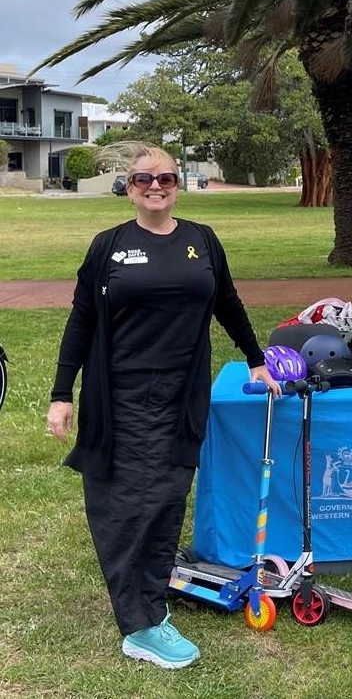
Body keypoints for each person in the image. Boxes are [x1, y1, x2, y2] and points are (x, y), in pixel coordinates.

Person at [45, 142, 279, 670]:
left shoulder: (202, 240)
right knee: (130, 504)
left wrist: (257, 360)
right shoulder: (109, 246)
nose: (155, 186)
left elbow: (228, 302)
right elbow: (81, 321)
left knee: (169, 496)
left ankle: (149, 602)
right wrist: (62, 394)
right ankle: (140, 625)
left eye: (166, 178)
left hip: (183, 393)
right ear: (128, 187)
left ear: (179, 184)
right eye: (143, 178)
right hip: (123, 396)